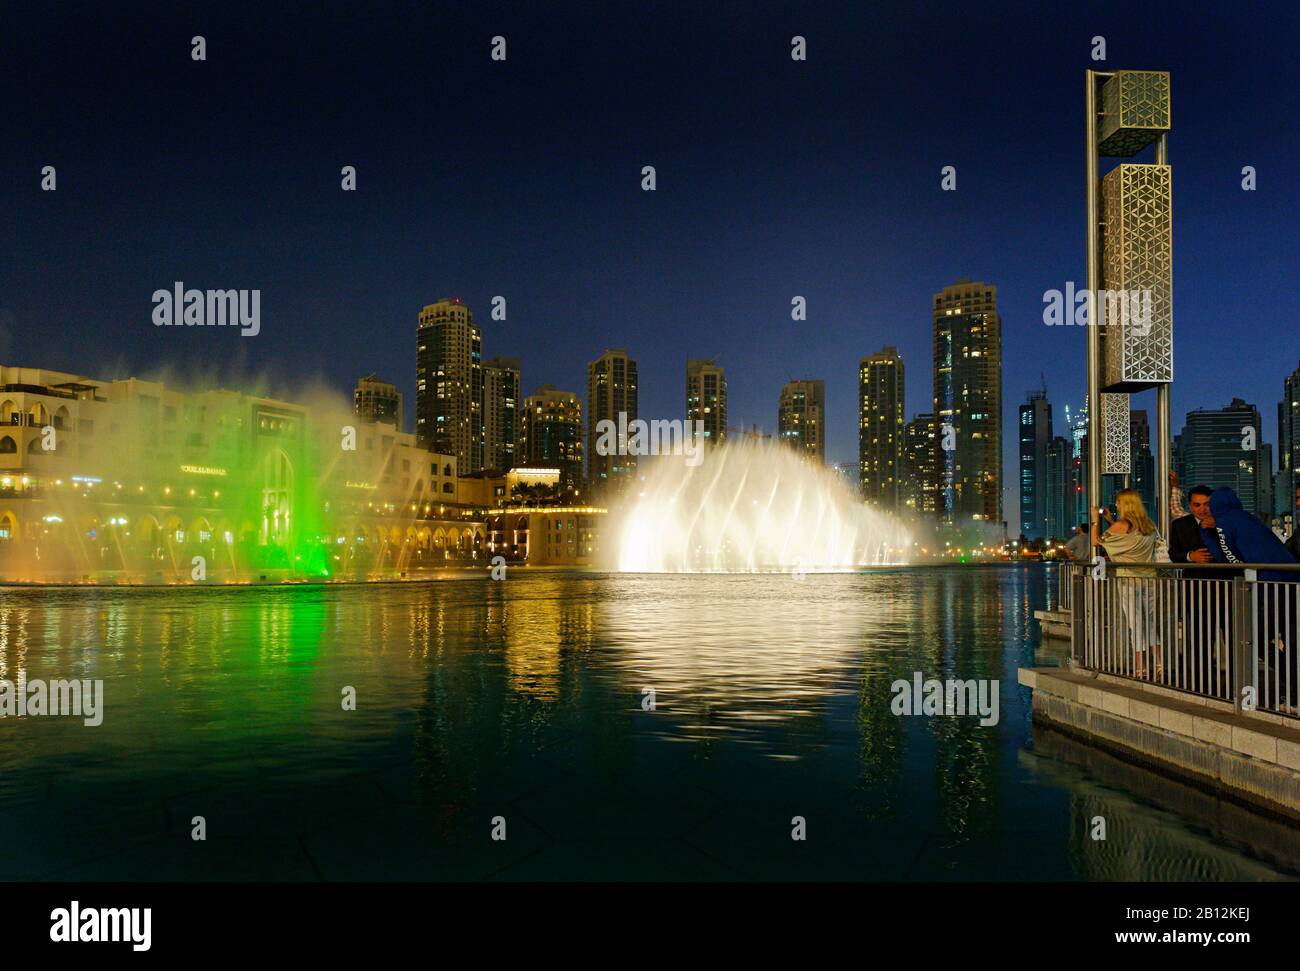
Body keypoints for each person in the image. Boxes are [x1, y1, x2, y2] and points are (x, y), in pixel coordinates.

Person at [1201, 487, 1299, 707]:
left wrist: (1207, 533)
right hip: (1292, 582)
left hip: (1271, 586)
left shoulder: (1225, 523)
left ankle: (1292, 687)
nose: (1205, 510)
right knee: (1293, 640)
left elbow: (1229, 559)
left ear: (1216, 506)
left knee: (1256, 639)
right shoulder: (1246, 518)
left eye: (1208, 505)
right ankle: (1295, 693)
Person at [1092, 488, 1163, 680]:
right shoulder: (1149, 525)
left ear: (1125, 504)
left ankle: (1141, 668)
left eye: (1118, 502)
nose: (1116, 505)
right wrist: (1110, 520)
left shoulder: (1120, 525)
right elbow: (1129, 538)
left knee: (1135, 624)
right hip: (1150, 580)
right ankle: (1159, 663)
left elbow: (1096, 541)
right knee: (1149, 622)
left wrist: (1095, 520)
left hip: (1128, 581)